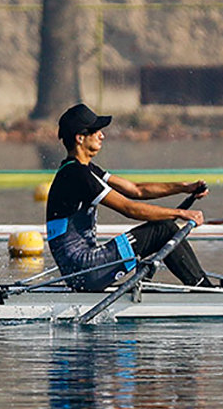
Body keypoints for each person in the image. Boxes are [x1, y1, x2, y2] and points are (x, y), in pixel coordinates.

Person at [45, 103, 214, 291]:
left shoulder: (85, 170)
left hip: (82, 270)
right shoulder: (77, 175)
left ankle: (203, 287)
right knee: (163, 229)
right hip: (85, 270)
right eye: (96, 131)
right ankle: (206, 290)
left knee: (164, 227)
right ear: (80, 138)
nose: (102, 135)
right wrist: (182, 213)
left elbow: (136, 190)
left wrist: (184, 188)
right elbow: (129, 209)